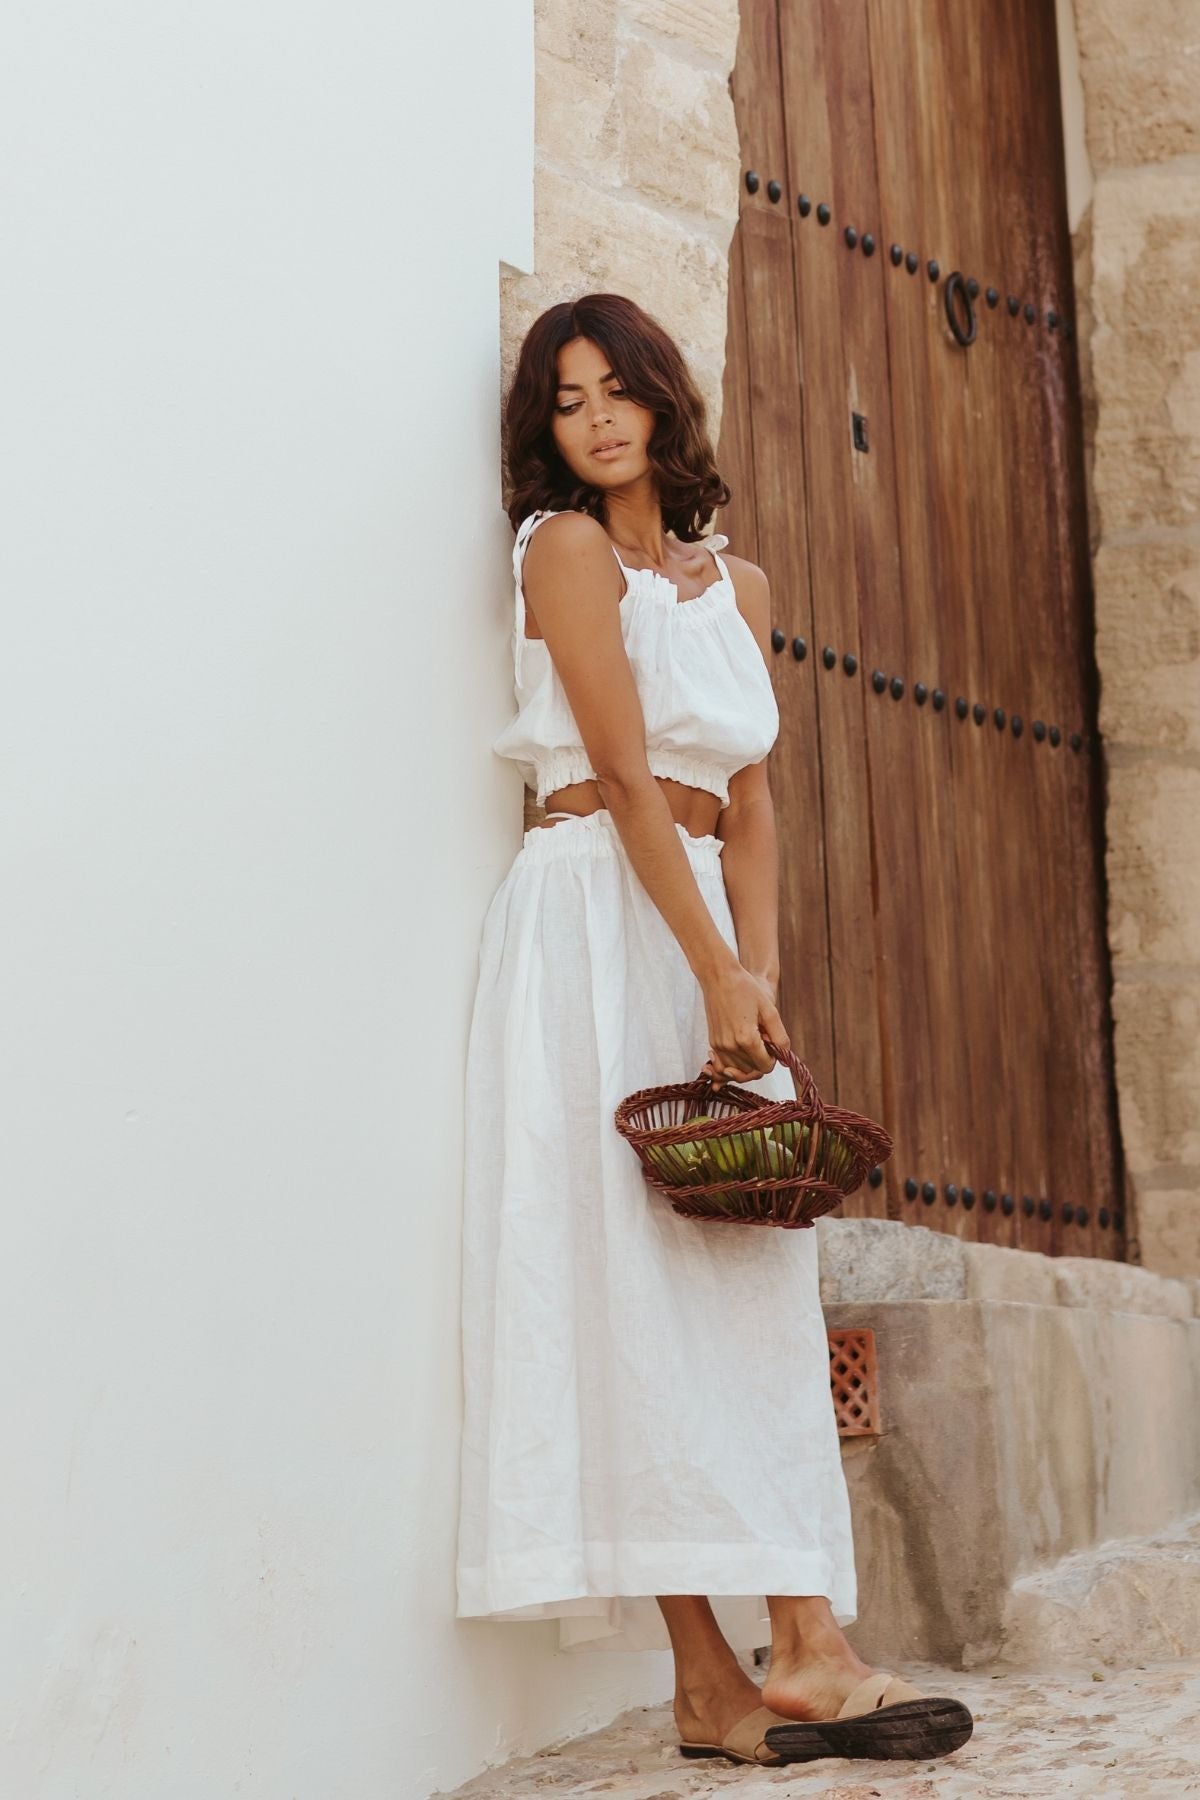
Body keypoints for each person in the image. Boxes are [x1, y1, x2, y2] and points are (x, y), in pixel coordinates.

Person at [455, 292, 973, 1766]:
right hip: (593, 918)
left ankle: (799, 1645)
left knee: (745, 1284)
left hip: (699, 940)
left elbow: (751, 801)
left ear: (662, 400)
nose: (598, 419)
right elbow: (626, 778)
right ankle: (712, 1672)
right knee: (623, 1289)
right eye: (567, 400)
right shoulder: (560, 552)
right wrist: (708, 967)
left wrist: (758, 974)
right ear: (545, 429)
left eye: (617, 390)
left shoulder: (735, 584)